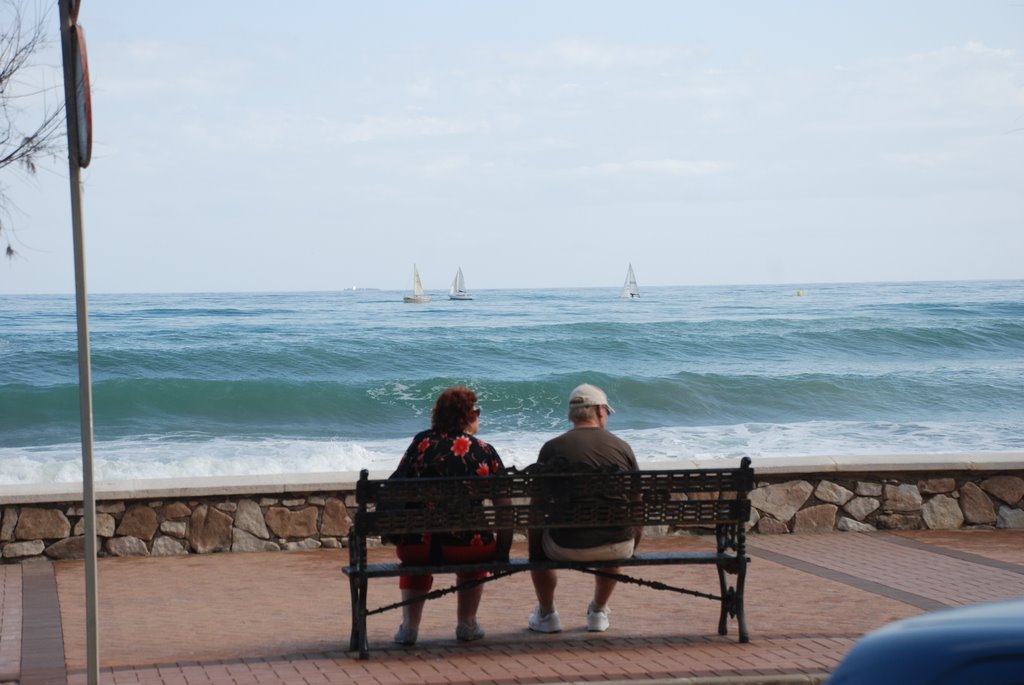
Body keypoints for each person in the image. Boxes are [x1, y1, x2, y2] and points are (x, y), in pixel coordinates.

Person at [390, 386, 511, 646]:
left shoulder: (421, 443)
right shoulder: (484, 451)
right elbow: (505, 507)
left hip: (418, 545)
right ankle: (466, 624)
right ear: (466, 416)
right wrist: (502, 550)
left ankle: (409, 628)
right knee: (476, 551)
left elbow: (395, 487)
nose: (478, 416)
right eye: (476, 411)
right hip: (468, 547)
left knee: (415, 560)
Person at [527, 383, 641, 633]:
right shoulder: (622, 447)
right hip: (616, 546)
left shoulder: (552, 448)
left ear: (572, 414)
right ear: (600, 411)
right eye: (607, 412)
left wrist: (534, 552)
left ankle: (547, 615)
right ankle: (598, 612)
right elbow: (636, 502)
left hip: (564, 546)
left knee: (539, 542)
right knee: (617, 529)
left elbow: (537, 505)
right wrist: (635, 541)